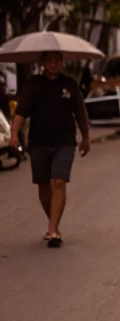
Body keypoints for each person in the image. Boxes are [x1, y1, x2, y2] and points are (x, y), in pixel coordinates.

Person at [8, 51, 91, 247]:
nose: (55, 64)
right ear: (43, 63)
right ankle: (54, 222)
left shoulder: (70, 84)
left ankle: (52, 230)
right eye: (51, 61)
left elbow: (80, 112)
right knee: (44, 185)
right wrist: (14, 134)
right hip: (38, 142)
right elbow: (21, 111)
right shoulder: (34, 84)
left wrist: (86, 138)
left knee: (59, 181)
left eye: (58, 61)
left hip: (64, 142)